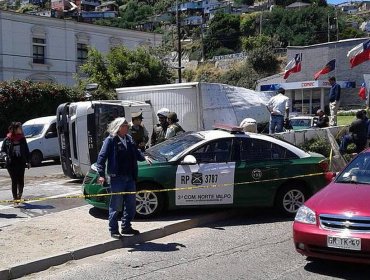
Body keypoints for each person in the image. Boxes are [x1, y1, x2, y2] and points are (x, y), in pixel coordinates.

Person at [96, 117, 152, 239]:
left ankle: (126, 227)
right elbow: (101, 158)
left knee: (131, 205)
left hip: (130, 177)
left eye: (127, 125)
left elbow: (136, 153)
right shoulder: (110, 140)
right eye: (126, 125)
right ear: (119, 127)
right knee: (115, 205)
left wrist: (144, 157)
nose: (128, 127)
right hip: (117, 178)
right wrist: (101, 175)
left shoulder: (129, 139)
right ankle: (114, 230)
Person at [1, 122, 30, 206]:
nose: (21, 129)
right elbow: (2, 151)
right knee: (14, 180)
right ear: (15, 129)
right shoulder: (7, 139)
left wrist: (28, 161)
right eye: (19, 128)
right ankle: (15, 199)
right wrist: (5, 156)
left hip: (21, 162)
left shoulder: (22, 139)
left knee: (21, 181)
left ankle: (19, 195)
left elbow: (26, 151)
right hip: (11, 163)